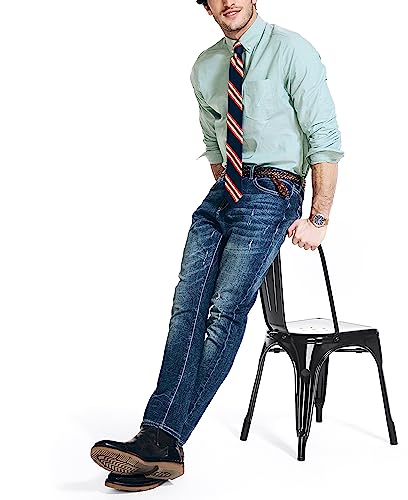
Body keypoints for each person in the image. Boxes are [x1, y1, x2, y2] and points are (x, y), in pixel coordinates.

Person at [90, 0, 344, 492]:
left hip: (274, 188)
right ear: (205, 6)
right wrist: (229, 190)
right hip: (225, 191)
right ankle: (160, 447)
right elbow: (214, 143)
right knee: (186, 309)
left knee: (223, 313)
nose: (229, 1)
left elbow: (325, 136)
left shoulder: (292, 50)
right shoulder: (206, 66)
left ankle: (160, 436)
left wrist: (319, 217)